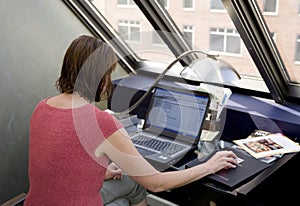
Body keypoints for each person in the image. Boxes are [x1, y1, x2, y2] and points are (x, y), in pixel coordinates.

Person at [24, 35, 238, 206]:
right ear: (100, 78)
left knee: (132, 184)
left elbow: (57, 163)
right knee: (136, 190)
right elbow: (156, 183)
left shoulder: (42, 107)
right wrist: (209, 166)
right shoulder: (101, 123)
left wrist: (102, 171)